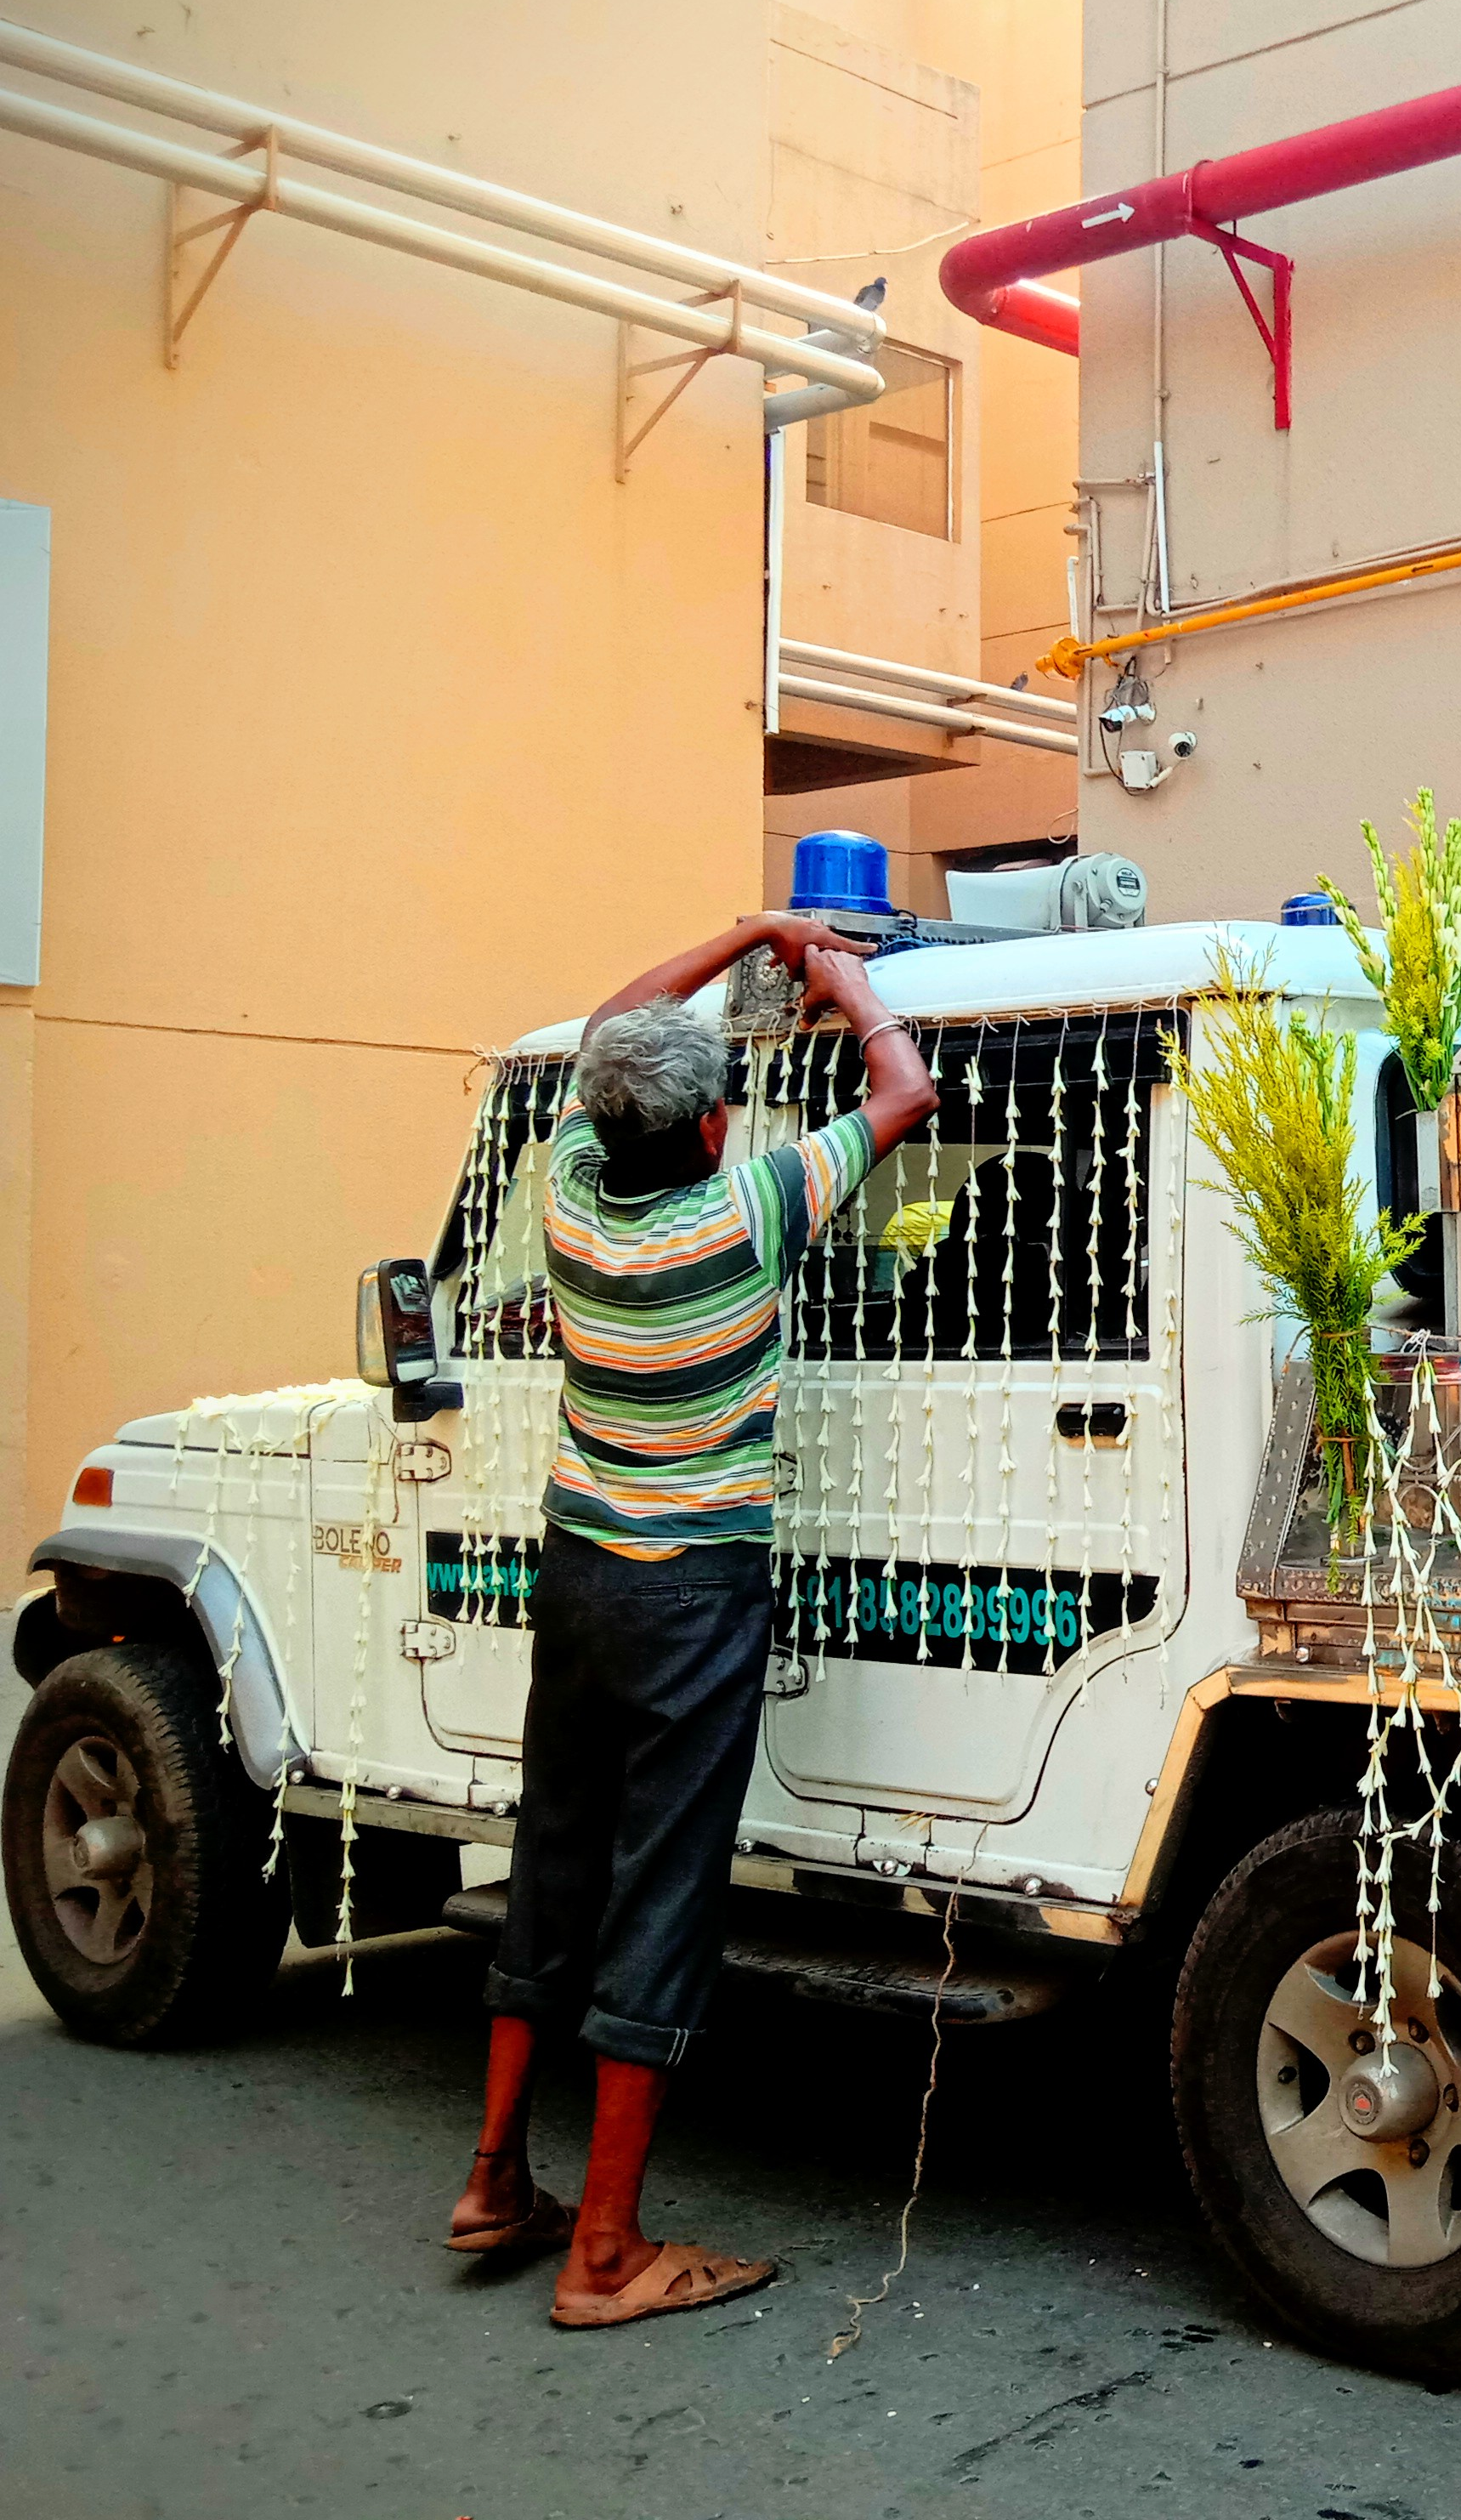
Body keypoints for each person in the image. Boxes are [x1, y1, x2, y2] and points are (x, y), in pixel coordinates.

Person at [443, 913, 936, 2329]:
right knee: (662, 1891)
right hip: (694, 1594)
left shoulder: (575, 1197)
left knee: (552, 1863)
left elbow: (609, 1024)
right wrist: (842, 984)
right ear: (720, 1127)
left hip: (581, 1576)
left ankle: (494, 2182)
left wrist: (741, 935)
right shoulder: (751, 1210)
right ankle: (605, 2250)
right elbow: (904, 1097)